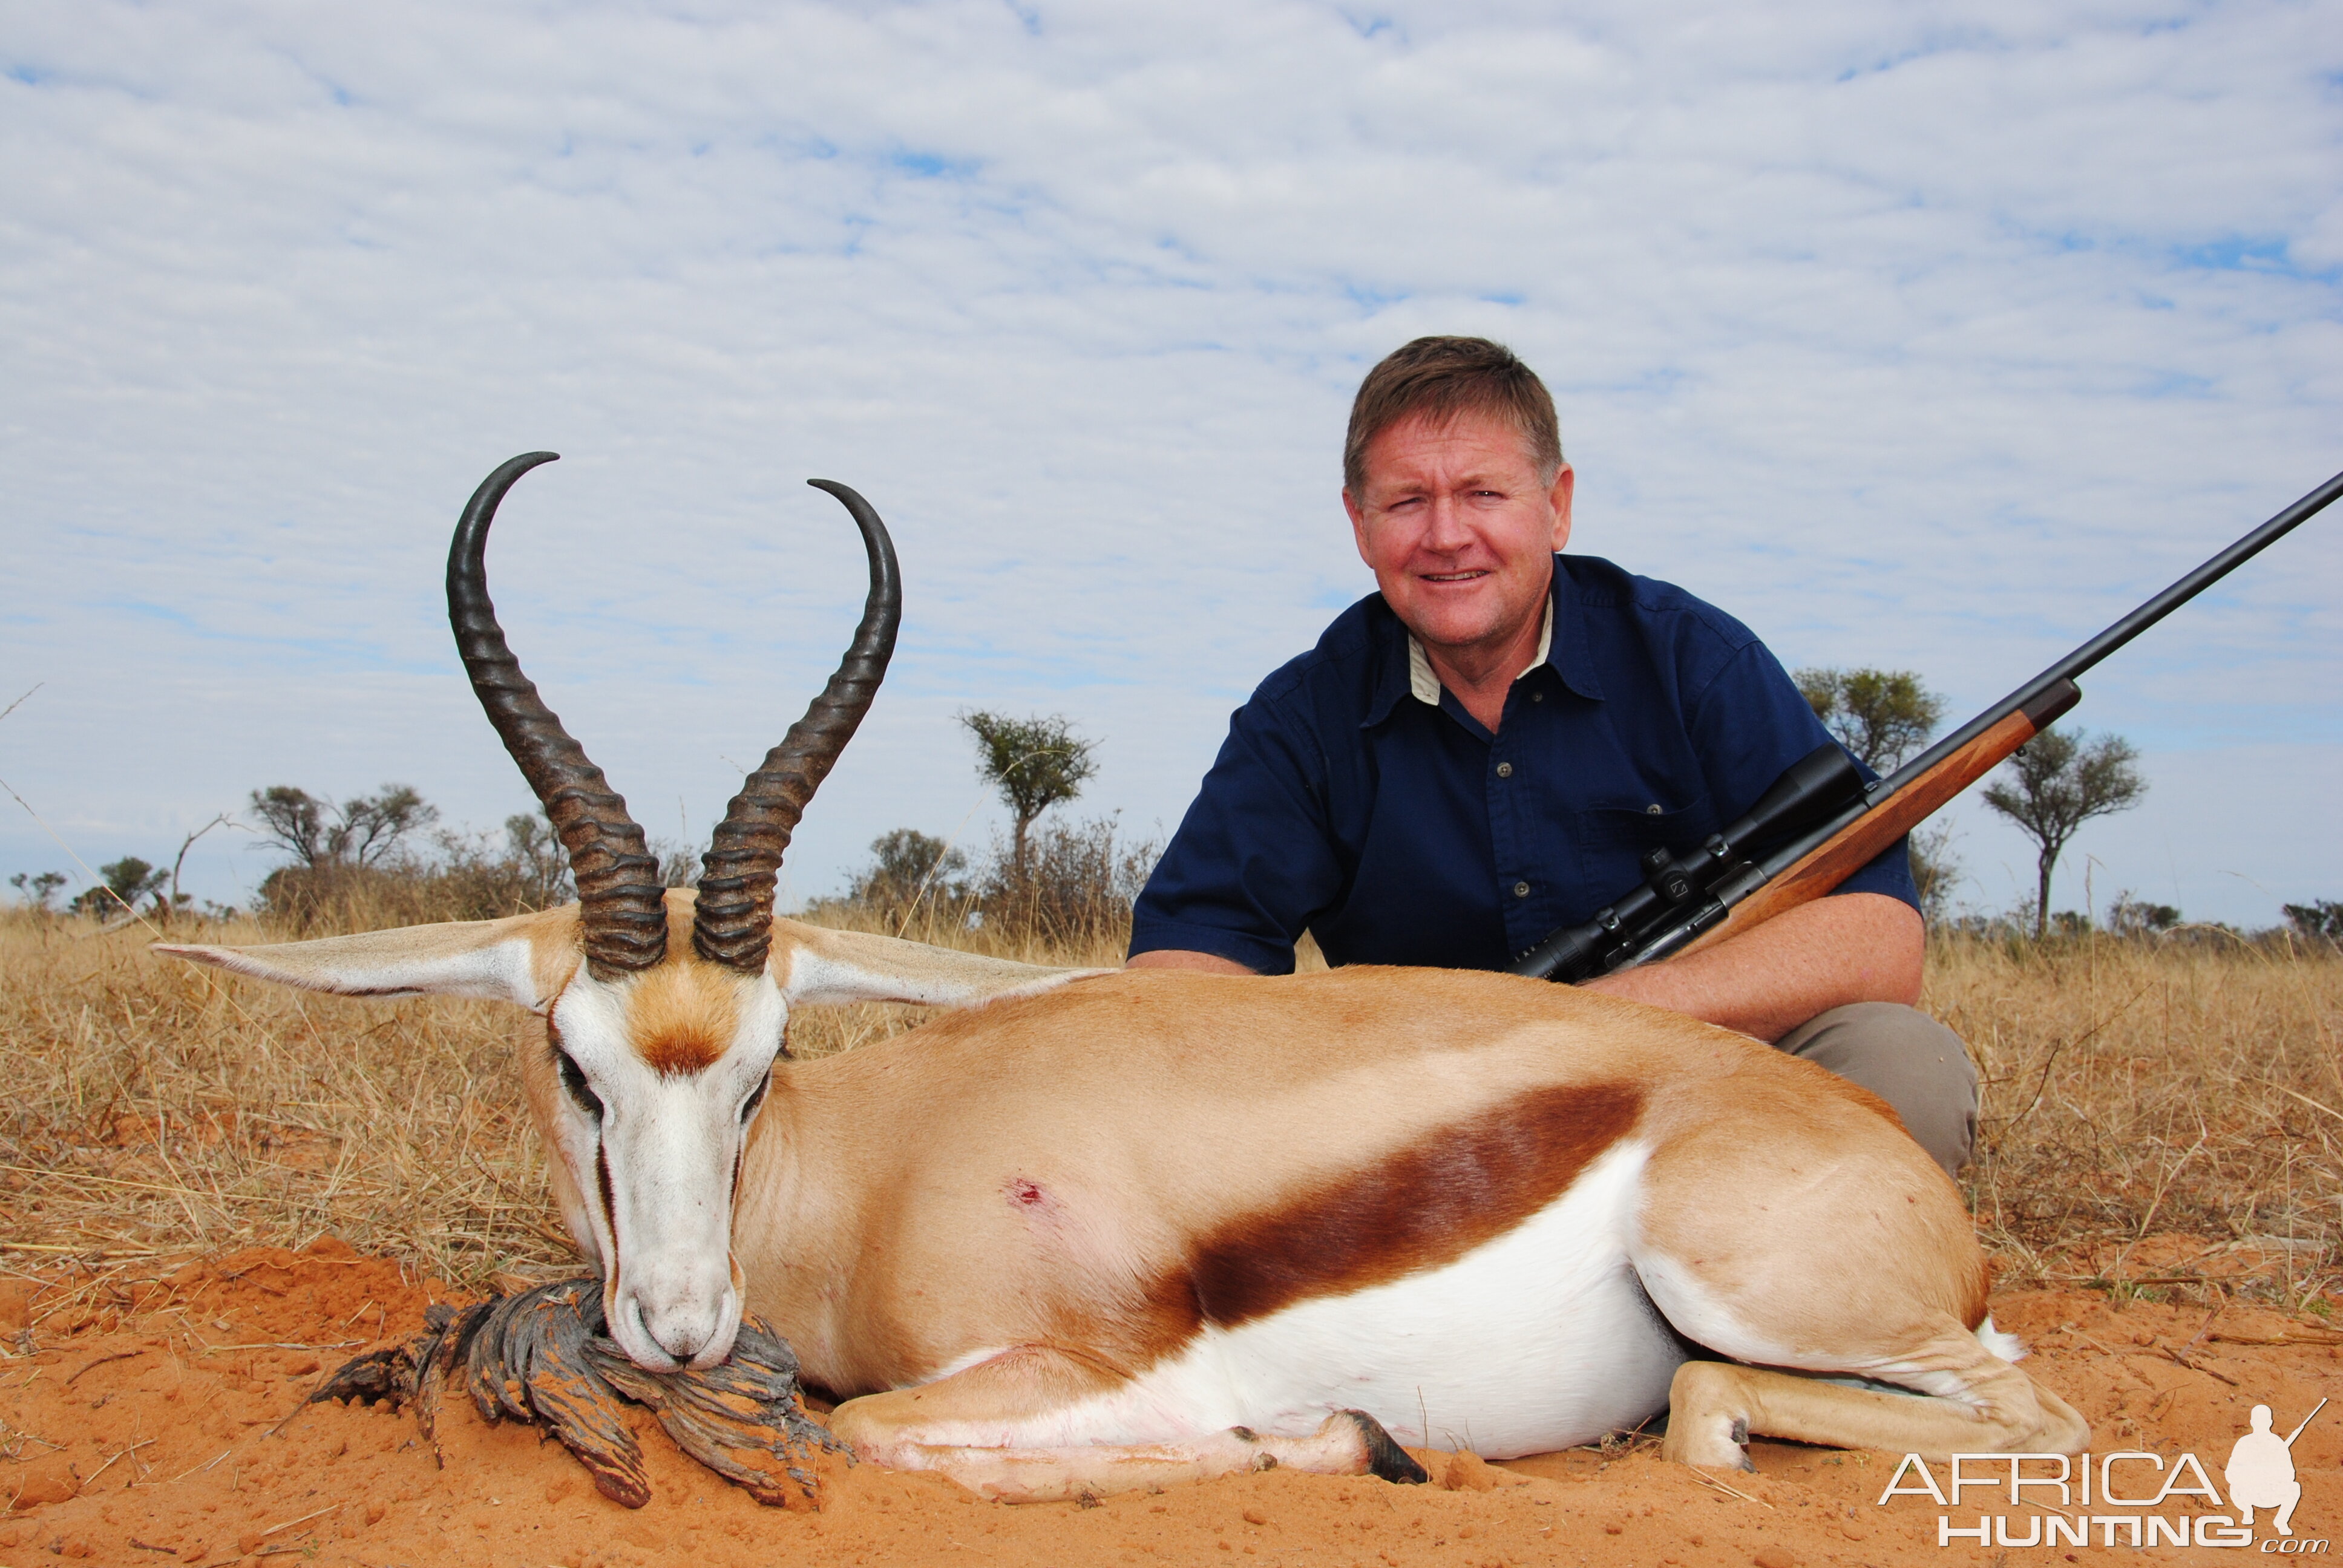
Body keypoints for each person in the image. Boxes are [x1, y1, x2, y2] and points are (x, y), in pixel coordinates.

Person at [1127, 335, 1977, 1176]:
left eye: (1484, 493)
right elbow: (1181, 969)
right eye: (1406, 502)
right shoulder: (1303, 717)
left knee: (1907, 1072)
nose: (1447, 535)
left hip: (1701, 1081)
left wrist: (1609, 1016)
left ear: (1557, 505)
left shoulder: (1693, 660)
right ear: (1359, 523)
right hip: (1426, 1122)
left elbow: (1878, 933)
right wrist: (1375, 1060)